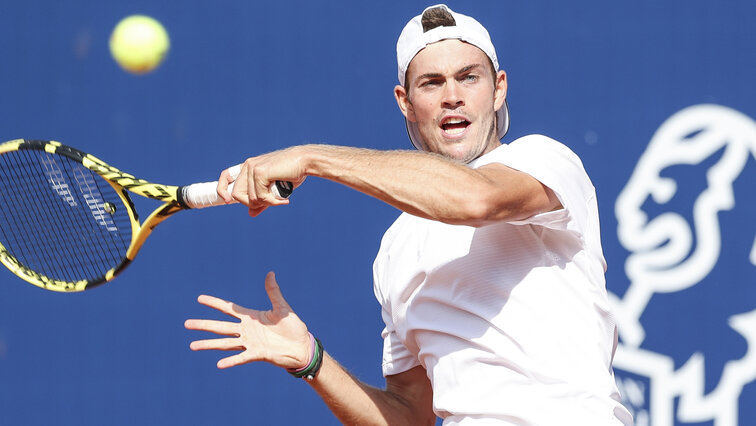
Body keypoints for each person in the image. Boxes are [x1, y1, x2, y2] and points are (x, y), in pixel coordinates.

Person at [184, 4, 633, 425]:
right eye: (432, 83)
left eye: (469, 77)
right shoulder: (395, 251)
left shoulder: (545, 159)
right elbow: (410, 414)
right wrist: (311, 360)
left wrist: (310, 158)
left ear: (498, 90)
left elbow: (477, 201)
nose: (452, 96)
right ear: (406, 101)